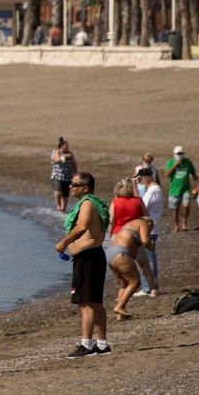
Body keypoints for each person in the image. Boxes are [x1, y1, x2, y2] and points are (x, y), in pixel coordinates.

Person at [54, 173, 111, 358]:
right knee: (96, 303)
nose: (70, 187)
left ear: (85, 188)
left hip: (87, 258)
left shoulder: (87, 203)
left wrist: (64, 242)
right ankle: (102, 345)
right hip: (95, 256)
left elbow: (82, 226)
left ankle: (86, 345)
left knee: (85, 303)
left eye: (74, 185)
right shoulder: (96, 202)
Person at [107, 211, 156, 320]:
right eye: (150, 229)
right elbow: (145, 240)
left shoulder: (130, 225)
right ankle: (120, 306)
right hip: (121, 253)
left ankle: (121, 315)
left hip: (110, 253)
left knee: (123, 284)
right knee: (134, 282)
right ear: (149, 224)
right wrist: (151, 246)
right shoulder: (142, 223)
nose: (149, 231)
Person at [134, 166, 165, 296]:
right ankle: (152, 285)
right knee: (150, 257)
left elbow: (142, 207)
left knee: (148, 259)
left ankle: (148, 287)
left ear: (145, 178)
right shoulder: (156, 189)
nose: (139, 182)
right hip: (153, 226)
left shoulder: (152, 191)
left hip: (149, 228)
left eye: (140, 179)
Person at [163, 146, 199, 232]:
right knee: (175, 209)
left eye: (181, 153)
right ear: (174, 154)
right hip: (174, 190)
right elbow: (166, 175)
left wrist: (198, 185)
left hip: (186, 189)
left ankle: (184, 222)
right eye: (178, 154)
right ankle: (176, 226)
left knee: (186, 207)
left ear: (183, 154)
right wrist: (174, 166)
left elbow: (194, 174)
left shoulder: (188, 162)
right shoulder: (170, 162)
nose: (179, 155)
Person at [50, 138, 77, 213]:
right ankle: (58, 205)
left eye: (68, 145)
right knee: (58, 191)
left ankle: (63, 208)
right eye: (66, 145)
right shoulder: (56, 152)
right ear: (61, 146)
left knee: (66, 193)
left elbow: (74, 164)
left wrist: (75, 173)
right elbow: (56, 160)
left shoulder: (70, 153)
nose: (67, 147)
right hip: (57, 176)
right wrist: (64, 157)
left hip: (68, 176)